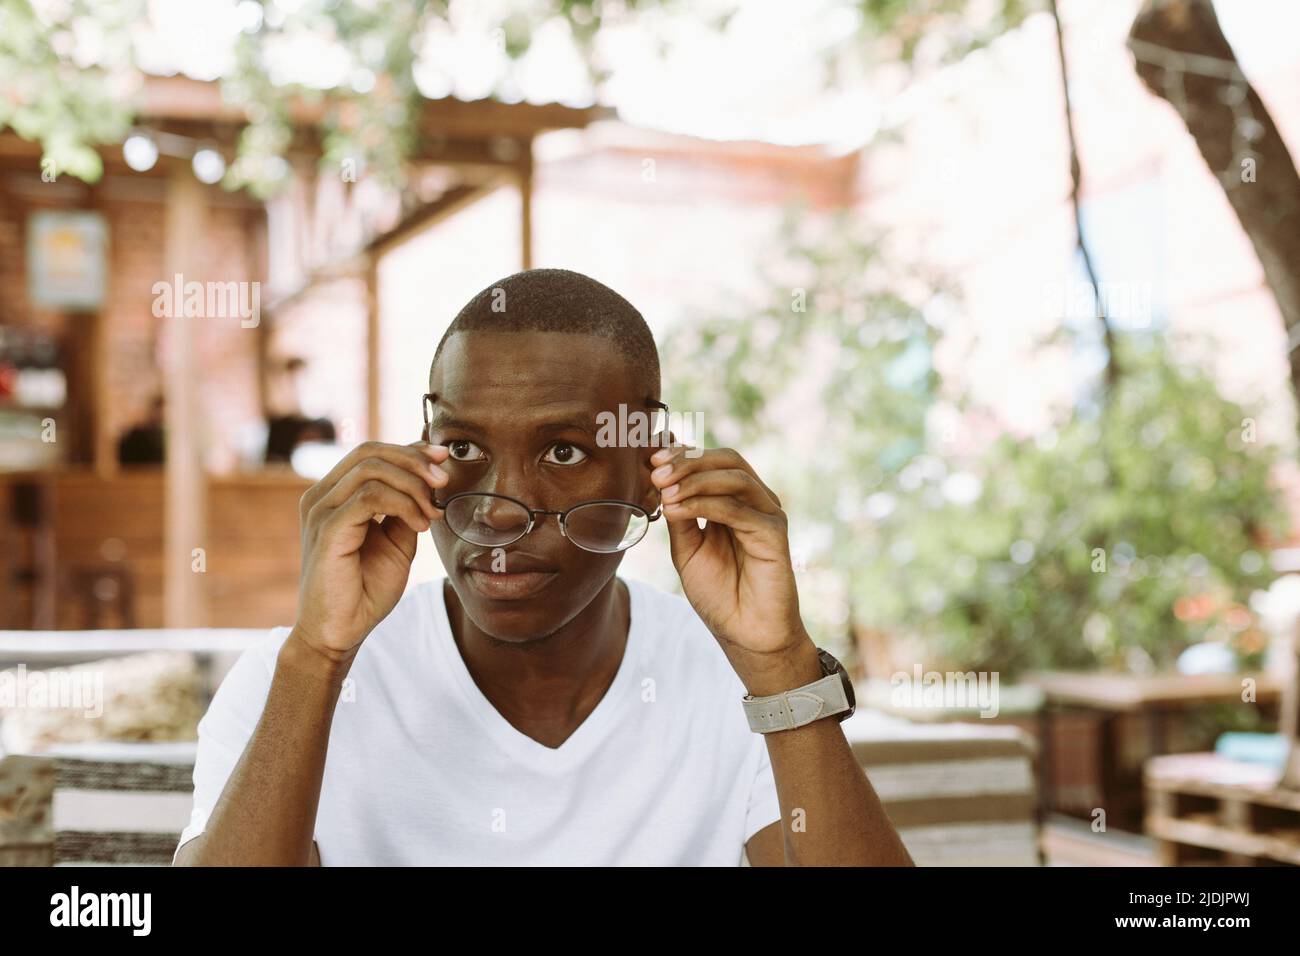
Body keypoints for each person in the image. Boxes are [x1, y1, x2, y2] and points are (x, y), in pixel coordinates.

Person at [173, 268, 912, 866]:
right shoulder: (296, 679)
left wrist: (780, 664)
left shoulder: (734, 684)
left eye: (564, 452)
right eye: (462, 447)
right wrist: (317, 657)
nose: (500, 509)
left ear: (649, 475)